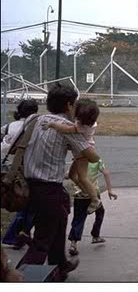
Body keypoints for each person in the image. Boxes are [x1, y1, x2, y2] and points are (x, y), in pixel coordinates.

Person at [16, 83, 100, 281]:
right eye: (75, 105)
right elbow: (92, 156)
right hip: (48, 189)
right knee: (42, 240)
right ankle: (19, 278)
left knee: (60, 221)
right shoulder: (67, 129)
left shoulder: (33, 120)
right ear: (69, 105)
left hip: (28, 187)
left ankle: (60, 266)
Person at [43, 98, 102, 214]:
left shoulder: (81, 127)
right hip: (81, 151)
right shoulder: (90, 122)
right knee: (71, 175)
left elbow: (65, 130)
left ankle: (95, 199)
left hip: (83, 152)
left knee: (82, 177)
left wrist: (52, 124)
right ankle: (86, 192)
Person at [1, 99, 39, 250]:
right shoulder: (34, 126)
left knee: (19, 201)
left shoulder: (10, 126)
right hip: (25, 168)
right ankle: (17, 235)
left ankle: (18, 235)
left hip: (9, 168)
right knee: (28, 203)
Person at [68, 159, 118, 256]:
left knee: (78, 219)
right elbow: (106, 173)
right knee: (100, 212)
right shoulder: (97, 160)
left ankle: (73, 243)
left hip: (80, 194)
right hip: (93, 193)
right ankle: (95, 235)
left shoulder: (77, 160)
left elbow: (68, 175)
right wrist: (110, 190)